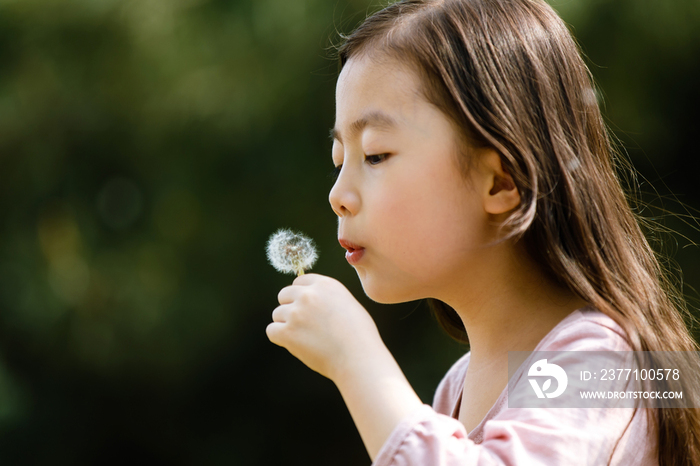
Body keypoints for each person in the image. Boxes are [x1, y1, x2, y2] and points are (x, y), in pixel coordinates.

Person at [266, 0, 700, 464]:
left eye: (375, 155)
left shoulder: (606, 361)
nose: (338, 195)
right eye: (339, 161)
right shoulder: (456, 385)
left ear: (500, 181)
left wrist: (359, 360)